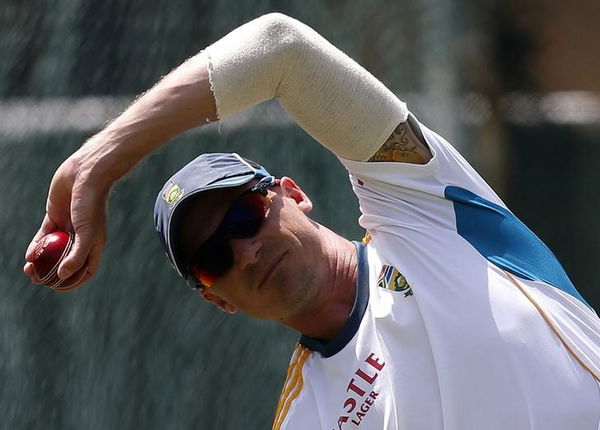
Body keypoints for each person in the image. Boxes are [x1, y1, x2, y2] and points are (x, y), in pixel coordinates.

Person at [24, 13, 600, 430]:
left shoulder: (422, 206)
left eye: (245, 214)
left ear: (292, 194)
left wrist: (96, 163)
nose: (245, 251)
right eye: (214, 256)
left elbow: (279, 48)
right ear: (216, 298)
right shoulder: (307, 416)